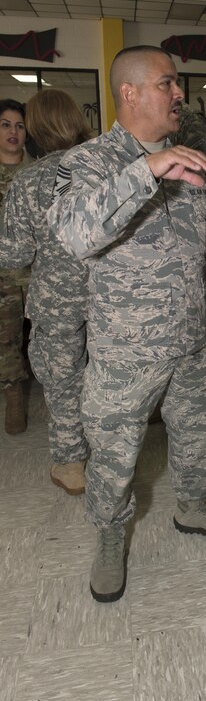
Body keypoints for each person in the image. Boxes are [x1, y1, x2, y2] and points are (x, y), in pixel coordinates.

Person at [47, 45, 206, 603]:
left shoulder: (189, 157)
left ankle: (193, 505)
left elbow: (197, 245)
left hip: (191, 338)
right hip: (126, 350)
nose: (179, 94)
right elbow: (74, 235)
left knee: (198, 435)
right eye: (168, 83)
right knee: (115, 452)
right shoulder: (89, 162)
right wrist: (145, 169)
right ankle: (111, 534)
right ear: (130, 92)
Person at [0, 90, 93, 493]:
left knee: (62, 382)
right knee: (107, 379)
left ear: (35, 128)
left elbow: (13, 252)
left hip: (57, 303)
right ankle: (112, 457)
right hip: (111, 299)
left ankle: (71, 466)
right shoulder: (107, 171)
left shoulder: (28, 180)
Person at [0, 98, 34, 434]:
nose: (13, 131)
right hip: (3, 277)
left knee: (47, 337)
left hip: (38, 273)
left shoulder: (37, 172)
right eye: (5, 125)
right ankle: (14, 398)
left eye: (19, 125)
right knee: (5, 338)